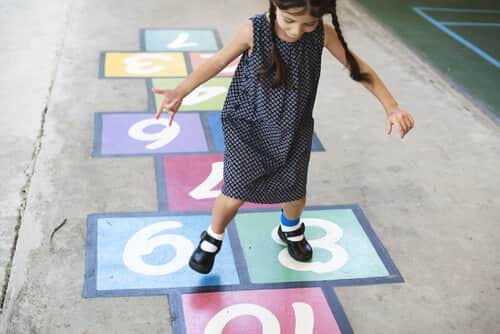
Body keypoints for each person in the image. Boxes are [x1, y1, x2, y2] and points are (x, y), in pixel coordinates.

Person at [153, 0, 415, 274]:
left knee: (294, 192)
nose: (296, 31)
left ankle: (290, 229)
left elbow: (357, 67)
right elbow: (219, 60)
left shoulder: (322, 34)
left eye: (308, 23)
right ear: (274, 5)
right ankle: (213, 237)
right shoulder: (254, 30)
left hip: (293, 125)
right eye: (289, 20)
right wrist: (181, 90)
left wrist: (391, 106)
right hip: (248, 124)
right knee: (234, 192)